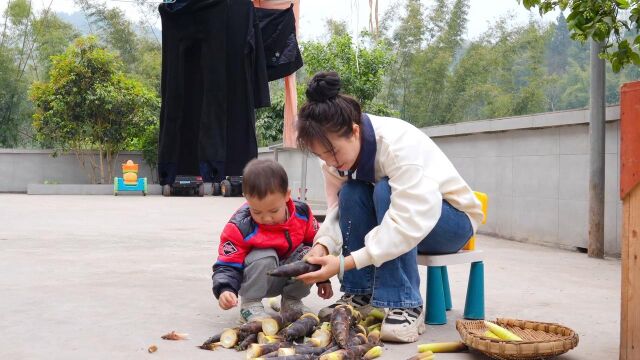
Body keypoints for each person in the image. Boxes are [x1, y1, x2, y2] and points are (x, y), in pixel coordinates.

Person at [296, 72, 484, 342]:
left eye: (333, 152)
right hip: (402, 219)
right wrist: (322, 246)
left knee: (386, 190)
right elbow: (339, 211)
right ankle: (360, 294)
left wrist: (343, 263)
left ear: (355, 130)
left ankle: (405, 303)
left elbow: (407, 222)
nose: (330, 162)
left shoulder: (397, 147)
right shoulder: (334, 161)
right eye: (321, 156)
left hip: (450, 223)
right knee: (352, 191)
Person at [211, 159, 333, 322]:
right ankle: (250, 305)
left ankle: (291, 301)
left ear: (287, 195)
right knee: (265, 254)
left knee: (308, 252)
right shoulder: (240, 226)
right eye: (257, 212)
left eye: (274, 210)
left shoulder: (302, 213)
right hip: (258, 279)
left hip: (289, 275)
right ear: (246, 198)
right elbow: (227, 264)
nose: (266, 218)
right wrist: (225, 289)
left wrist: (322, 278)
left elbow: (318, 248)